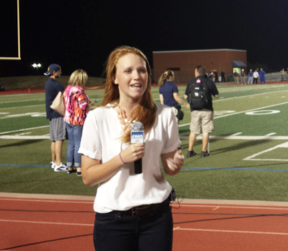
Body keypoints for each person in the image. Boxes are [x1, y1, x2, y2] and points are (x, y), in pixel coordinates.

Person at [79, 46, 184, 251]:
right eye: (128, 71)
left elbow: (169, 168)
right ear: (114, 77)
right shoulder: (97, 118)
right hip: (113, 221)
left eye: (142, 70)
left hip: (157, 218)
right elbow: (88, 177)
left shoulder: (165, 114)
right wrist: (121, 158)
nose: (137, 76)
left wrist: (175, 165)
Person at [185, 66, 219, 158]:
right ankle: (203, 151)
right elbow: (216, 95)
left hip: (194, 110)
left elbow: (185, 96)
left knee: (193, 131)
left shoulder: (191, 82)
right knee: (206, 131)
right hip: (207, 109)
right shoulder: (209, 81)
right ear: (204, 73)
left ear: (197, 72)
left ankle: (190, 151)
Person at [63, 69, 92, 175]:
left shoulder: (67, 89)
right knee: (79, 143)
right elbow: (83, 106)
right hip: (78, 120)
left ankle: (69, 166)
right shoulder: (79, 91)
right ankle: (79, 167)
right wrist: (89, 102)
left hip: (68, 119)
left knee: (71, 143)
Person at [44, 63, 67, 172]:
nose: (60, 72)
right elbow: (64, 97)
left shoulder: (47, 83)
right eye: (59, 71)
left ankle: (53, 162)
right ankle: (58, 164)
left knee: (53, 139)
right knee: (59, 139)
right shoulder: (57, 84)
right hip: (58, 113)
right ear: (55, 72)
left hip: (51, 113)